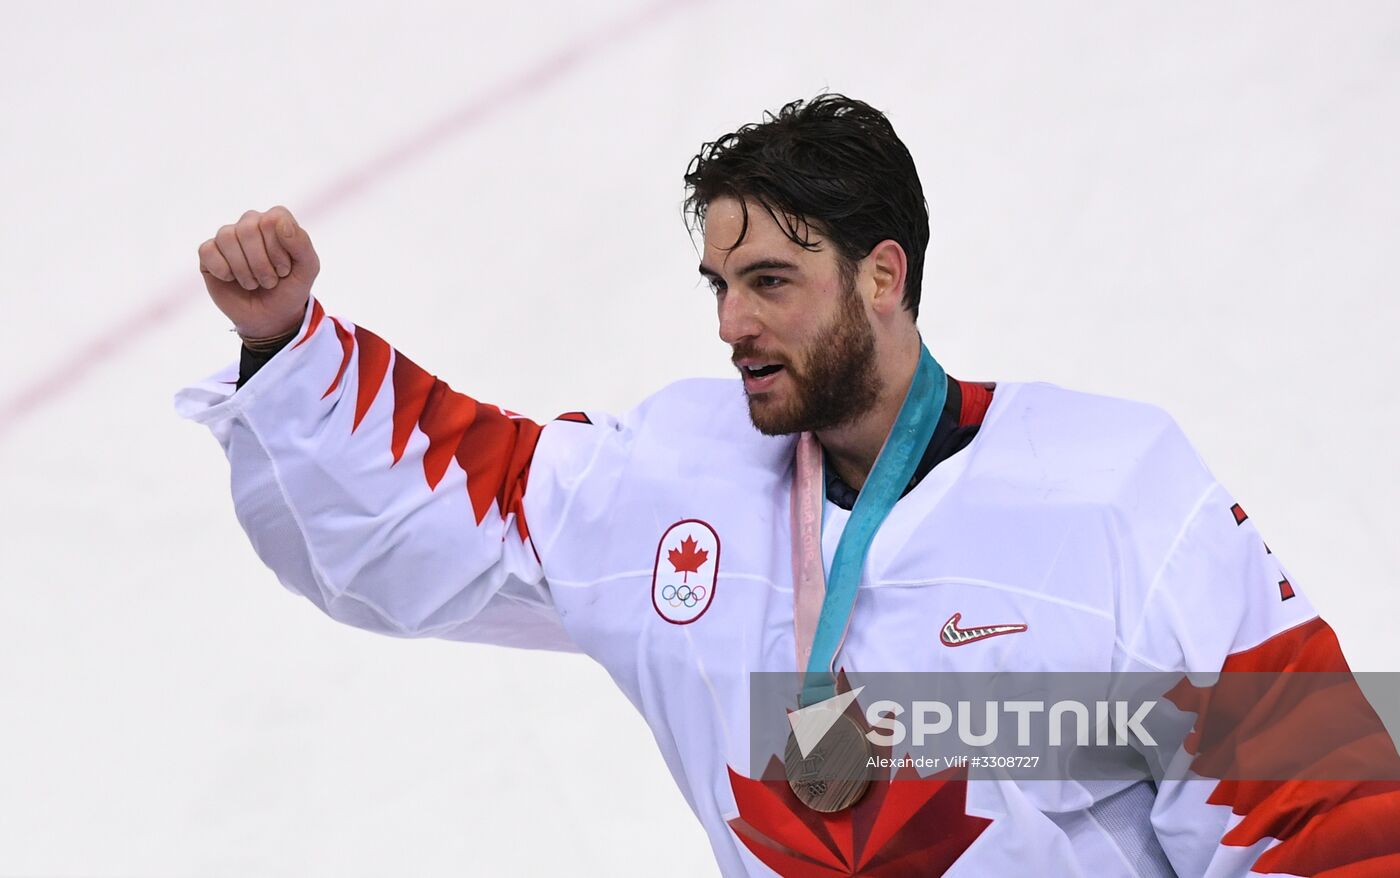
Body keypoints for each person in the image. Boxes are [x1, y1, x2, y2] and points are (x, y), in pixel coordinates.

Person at [177, 95, 1399, 875]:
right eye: (717, 283)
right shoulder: (675, 479)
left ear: (881, 274)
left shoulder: (1114, 490)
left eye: (768, 280)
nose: (731, 323)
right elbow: (452, 495)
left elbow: (1319, 801)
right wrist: (287, 342)